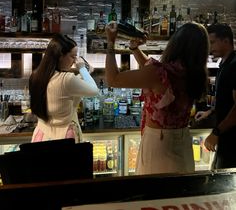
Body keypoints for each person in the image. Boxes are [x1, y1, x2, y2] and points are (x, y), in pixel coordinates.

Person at [105, 21, 209, 175]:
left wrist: (110, 42)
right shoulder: (195, 74)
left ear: (176, 43)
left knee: (154, 194)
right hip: (183, 142)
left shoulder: (160, 73)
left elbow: (112, 79)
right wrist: (134, 49)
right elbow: (151, 70)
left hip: (159, 145)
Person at [29, 33, 99, 143]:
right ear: (60, 55)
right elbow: (94, 90)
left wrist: (85, 74)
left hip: (41, 136)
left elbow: (67, 86)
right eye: (72, 56)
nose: (74, 61)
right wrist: (82, 69)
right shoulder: (66, 79)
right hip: (64, 139)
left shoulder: (36, 76)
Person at [200, 23, 236, 169]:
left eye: (212, 42)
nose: (209, 48)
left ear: (226, 41)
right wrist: (211, 111)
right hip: (227, 138)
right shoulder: (225, 64)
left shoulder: (234, 66)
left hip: (233, 140)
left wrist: (216, 132)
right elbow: (227, 99)